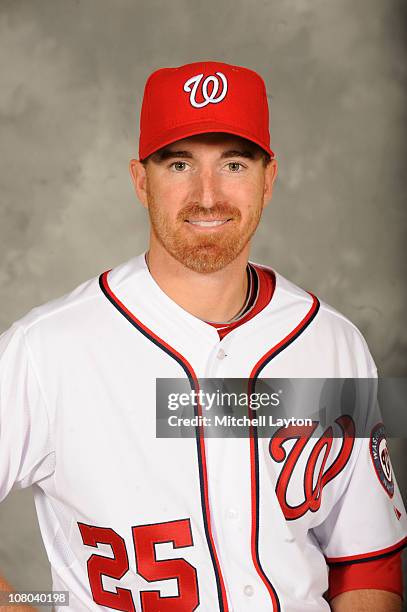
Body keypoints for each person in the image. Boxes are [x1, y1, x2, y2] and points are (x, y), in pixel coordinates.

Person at [0, 60, 406, 612]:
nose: (208, 195)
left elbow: (366, 562)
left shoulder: (331, 343)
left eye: (234, 164)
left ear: (269, 178)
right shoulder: (47, 349)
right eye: (180, 163)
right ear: (141, 181)